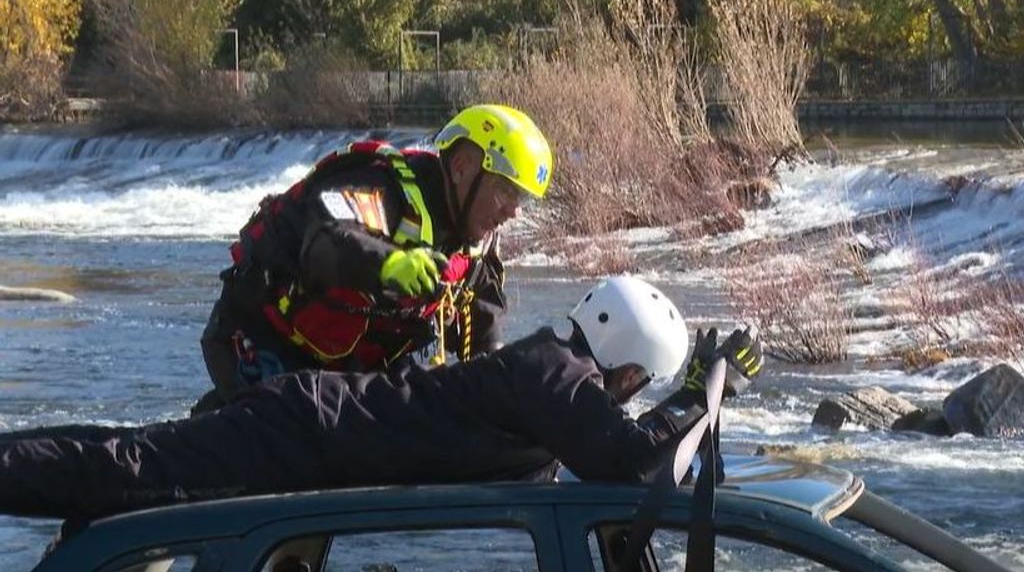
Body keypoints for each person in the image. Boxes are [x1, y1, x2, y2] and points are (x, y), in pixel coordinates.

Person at [0, 276, 763, 522]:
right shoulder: (553, 379)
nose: (629, 399)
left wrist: (697, 398)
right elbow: (633, 469)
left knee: (125, 455)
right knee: (124, 472)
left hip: (311, 424)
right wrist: (701, 396)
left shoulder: (552, 371)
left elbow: (623, 461)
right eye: (638, 386)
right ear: (626, 370)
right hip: (305, 436)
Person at [195, 104, 554, 413]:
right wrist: (388, 264)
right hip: (260, 343)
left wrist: (511, 395)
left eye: (521, 199)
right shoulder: (380, 184)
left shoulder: (476, 254)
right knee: (279, 432)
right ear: (461, 167)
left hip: (347, 372)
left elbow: (484, 346)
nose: (513, 212)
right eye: (506, 191)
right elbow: (326, 241)